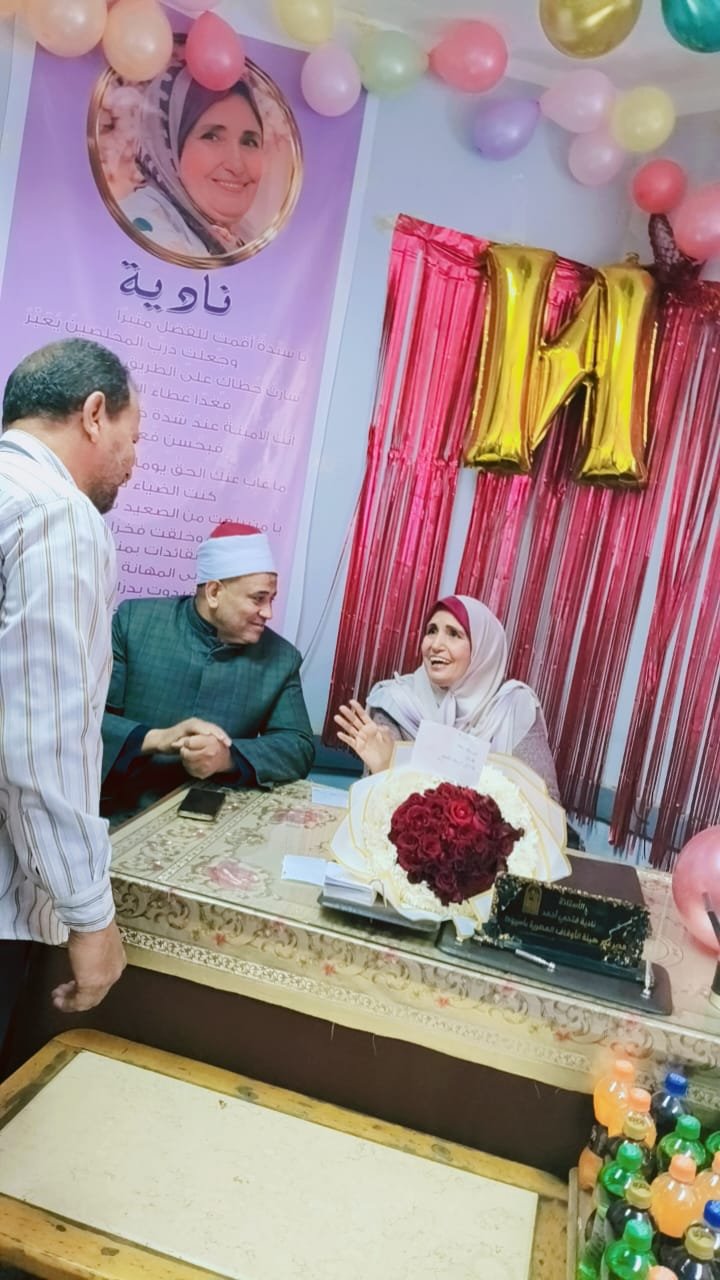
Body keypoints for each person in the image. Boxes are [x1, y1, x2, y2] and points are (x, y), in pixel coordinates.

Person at [0, 339, 140, 1020]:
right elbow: (41, 737)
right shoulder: (56, 513)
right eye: (132, 438)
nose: (133, 463)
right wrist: (89, 915)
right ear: (93, 414)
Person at [101, 523, 314, 822]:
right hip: (121, 809)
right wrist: (158, 738)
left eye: (272, 599)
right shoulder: (135, 623)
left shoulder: (281, 658)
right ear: (214, 592)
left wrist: (227, 757)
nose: (268, 613)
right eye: (258, 598)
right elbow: (88, 719)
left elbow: (298, 746)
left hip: (219, 816)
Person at [334, 595, 560, 800]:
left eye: (453, 634)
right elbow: (376, 805)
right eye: (431, 631)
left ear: (483, 649)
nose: (435, 645)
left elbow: (546, 803)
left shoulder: (513, 707)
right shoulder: (394, 701)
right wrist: (383, 770)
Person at [120, 59, 266, 258]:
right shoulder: (140, 223)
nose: (237, 165)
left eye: (249, 142)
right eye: (212, 137)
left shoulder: (238, 239)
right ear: (168, 146)